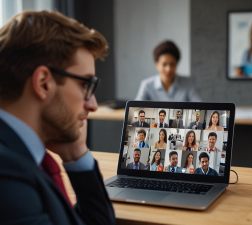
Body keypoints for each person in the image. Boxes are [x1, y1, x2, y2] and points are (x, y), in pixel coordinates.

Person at [0, 10, 115, 225]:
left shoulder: (19, 155)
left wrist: (76, 155)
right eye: (85, 85)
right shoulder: (7, 176)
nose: (93, 105)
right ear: (44, 83)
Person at [135, 40, 201, 101]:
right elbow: (135, 109)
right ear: (157, 65)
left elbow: (200, 108)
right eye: (164, 64)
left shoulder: (188, 83)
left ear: (177, 64)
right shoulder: (147, 85)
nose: (168, 69)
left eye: (172, 64)